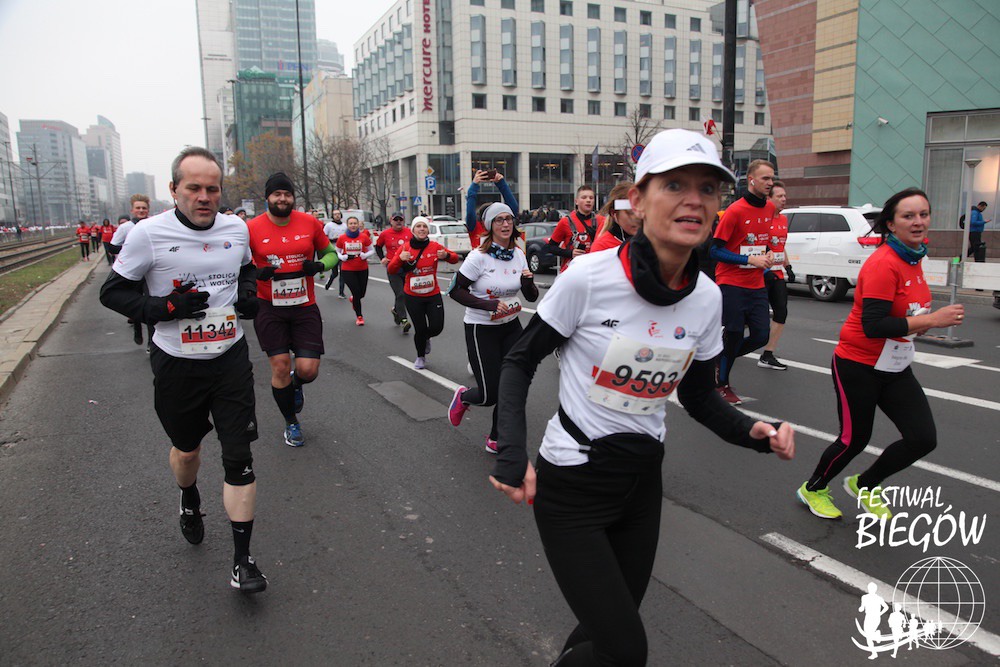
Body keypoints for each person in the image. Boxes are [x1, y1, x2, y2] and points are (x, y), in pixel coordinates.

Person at [488, 129, 795, 666]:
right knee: (627, 649)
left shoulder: (706, 298)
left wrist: (754, 432)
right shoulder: (589, 278)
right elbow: (519, 361)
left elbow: (699, 396)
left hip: (641, 486)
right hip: (574, 485)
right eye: (674, 185)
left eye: (707, 188)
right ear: (638, 200)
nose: (693, 200)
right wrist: (513, 450)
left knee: (606, 631)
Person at [99, 146, 267, 594]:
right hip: (176, 362)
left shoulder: (236, 228)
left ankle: (243, 561)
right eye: (194, 188)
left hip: (229, 358)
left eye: (212, 188)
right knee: (187, 452)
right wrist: (166, 308)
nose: (204, 196)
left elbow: (247, 270)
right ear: (174, 190)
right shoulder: (147, 234)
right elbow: (112, 293)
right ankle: (189, 496)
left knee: (239, 458)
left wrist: (248, 294)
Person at [796, 187, 964, 521]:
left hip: (895, 365)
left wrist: (918, 324)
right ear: (891, 223)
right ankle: (813, 488)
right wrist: (931, 320)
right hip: (858, 364)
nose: (918, 222)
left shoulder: (914, 257)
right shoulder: (884, 264)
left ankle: (865, 484)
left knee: (922, 439)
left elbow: (904, 313)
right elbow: (873, 325)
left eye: (923, 214)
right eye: (908, 216)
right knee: (854, 440)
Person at [247, 172, 338, 448]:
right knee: (280, 365)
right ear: (268, 197)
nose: (283, 199)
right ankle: (291, 422)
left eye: (287, 194)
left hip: (304, 306)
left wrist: (319, 265)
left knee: (308, 370)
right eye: (277, 194)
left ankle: (295, 384)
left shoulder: (309, 222)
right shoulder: (251, 228)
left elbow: (332, 254)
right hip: (268, 307)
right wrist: (255, 273)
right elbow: (239, 265)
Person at [447, 203, 538, 453]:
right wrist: (488, 305)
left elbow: (531, 297)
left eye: (508, 219)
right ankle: (463, 397)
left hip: (511, 327)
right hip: (481, 328)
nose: (505, 224)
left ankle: (496, 437)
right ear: (490, 226)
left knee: (513, 385)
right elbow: (455, 290)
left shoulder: (518, 254)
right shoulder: (478, 257)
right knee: (490, 394)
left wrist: (528, 282)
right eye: (499, 220)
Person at [709, 159, 777, 404]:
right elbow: (715, 250)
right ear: (751, 180)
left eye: (772, 178)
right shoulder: (735, 211)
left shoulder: (770, 208)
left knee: (761, 336)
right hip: (731, 281)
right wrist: (748, 259)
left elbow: (760, 242)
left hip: (756, 283)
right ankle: (722, 384)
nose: (770, 183)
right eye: (765, 178)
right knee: (734, 333)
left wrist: (768, 254)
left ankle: (718, 359)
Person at [387, 216, 459, 369]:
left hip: (433, 295)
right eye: (418, 226)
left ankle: (426, 338)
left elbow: (454, 259)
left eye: (424, 226)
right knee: (419, 329)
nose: (421, 229)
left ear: (428, 230)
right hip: (413, 296)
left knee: (437, 327)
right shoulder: (405, 248)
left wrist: (446, 256)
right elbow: (391, 269)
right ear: (413, 230)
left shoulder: (434, 246)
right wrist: (399, 259)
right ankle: (420, 356)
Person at [758, 180, 793, 370]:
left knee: (781, 312)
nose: (784, 199)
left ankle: (768, 354)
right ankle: (726, 340)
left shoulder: (784, 219)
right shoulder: (762, 219)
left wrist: (788, 266)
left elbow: (780, 245)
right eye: (779, 196)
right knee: (754, 316)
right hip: (760, 273)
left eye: (784, 196)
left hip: (778, 274)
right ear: (769, 199)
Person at [111, 195, 154, 347]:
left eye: (144, 208)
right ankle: (137, 329)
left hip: (151, 271)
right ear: (132, 210)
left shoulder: (154, 224)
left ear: (148, 210)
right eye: (138, 208)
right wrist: (130, 250)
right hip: (132, 271)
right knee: (136, 303)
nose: (141, 210)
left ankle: (151, 342)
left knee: (151, 305)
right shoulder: (125, 227)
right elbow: (112, 247)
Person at [547, 186, 605, 273]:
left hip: (594, 269)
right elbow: (550, 247)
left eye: (591, 198)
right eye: (584, 197)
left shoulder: (602, 221)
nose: (588, 200)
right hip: (572, 270)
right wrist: (570, 253)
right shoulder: (565, 221)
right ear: (576, 201)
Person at [375, 212, 414, 333]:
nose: (398, 222)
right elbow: (378, 246)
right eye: (395, 220)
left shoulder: (409, 232)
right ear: (391, 221)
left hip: (407, 267)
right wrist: (382, 258)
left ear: (403, 221)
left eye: (400, 219)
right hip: (393, 268)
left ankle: (396, 310)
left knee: (406, 294)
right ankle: (404, 320)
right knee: (400, 294)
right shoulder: (385, 234)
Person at [335, 215, 375, 325]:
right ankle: (359, 316)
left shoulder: (363, 237)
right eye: (351, 223)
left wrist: (365, 255)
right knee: (356, 292)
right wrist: (342, 257)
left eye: (355, 223)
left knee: (362, 293)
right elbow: (336, 251)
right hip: (348, 269)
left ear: (358, 225)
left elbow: (372, 250)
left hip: (362, 268)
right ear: (347, 225)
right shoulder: (342, 238)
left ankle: (354, 299)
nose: (353, 225)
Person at [464, 170, 520, 248]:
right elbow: (470, 214)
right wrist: (501, 184)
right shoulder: (476, 226)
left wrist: (474, 186)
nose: (505, 224)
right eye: (498, 219)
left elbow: (513, 209)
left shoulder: (476, 227)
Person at [590, 181, 639, 252]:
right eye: (630, 212)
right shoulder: (601, 247)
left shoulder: (652, 242)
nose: (637, 217)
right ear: (613, 213)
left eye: (641, 211)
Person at [323, 209, 348, 295]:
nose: (337, 216)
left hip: (343, 251)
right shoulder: (328, 225)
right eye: (335, 214)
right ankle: (329, 282)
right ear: (332, 216)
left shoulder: (345, 226)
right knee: (335, 273)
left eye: (338, 214)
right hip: (333, 250)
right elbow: (324, 237)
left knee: (343, 272)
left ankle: (341, 292)